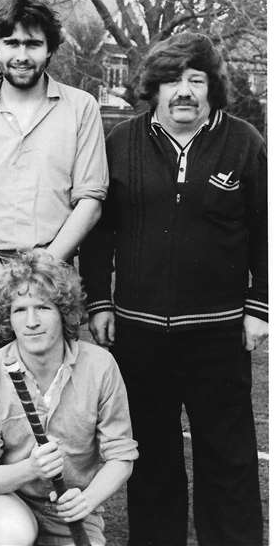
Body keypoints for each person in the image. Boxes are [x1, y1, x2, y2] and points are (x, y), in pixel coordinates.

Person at [79, 32, 267, 546]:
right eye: (171, 80)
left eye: (195, 79)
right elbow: (100, 231)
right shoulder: (122, 143)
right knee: (153, 458)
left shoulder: (245, 143)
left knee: (226, 458)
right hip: (139, 335)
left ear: (212, 88)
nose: (183, 91)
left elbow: (265, 231)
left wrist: (260, 305)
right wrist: (98, 299)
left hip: (219, 333)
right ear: (153, 88)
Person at [0, 0, 107, 381]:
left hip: (53, 266)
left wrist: (44, 268)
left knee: (51, 398)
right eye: (12, 44)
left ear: (49, 49)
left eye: (33, 44)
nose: (22, 55)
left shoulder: (81, 107)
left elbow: (90, 199)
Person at [0, 249, 137, 546]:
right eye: (19, 310)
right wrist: (30, 469)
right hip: (8, 501)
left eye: (42, 308)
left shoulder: (100, 366)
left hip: (74, 506)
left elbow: (121, 456)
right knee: (13, 535)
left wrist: (87, 500)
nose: (31, 321)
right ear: (8, 317)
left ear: (64, 311)